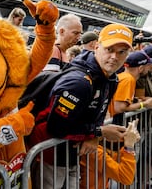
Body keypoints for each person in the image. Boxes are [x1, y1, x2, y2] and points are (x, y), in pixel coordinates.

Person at [29, 23, 133, 188]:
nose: (114, 56)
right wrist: (98, 132)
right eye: (109, 49)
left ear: (128, 54)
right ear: (96, 47)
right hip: (50, 154)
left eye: (121, 52)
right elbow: (55, 127)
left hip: (73, 152)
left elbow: (98, 113)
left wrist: (94, 136)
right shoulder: (78, 83)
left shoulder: (111, 78)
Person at [80, 119, 141, 189]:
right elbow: (126, 177)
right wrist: (129, 146)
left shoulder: (99, 149)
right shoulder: (93, 152)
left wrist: (130, 139)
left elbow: (118, 159)